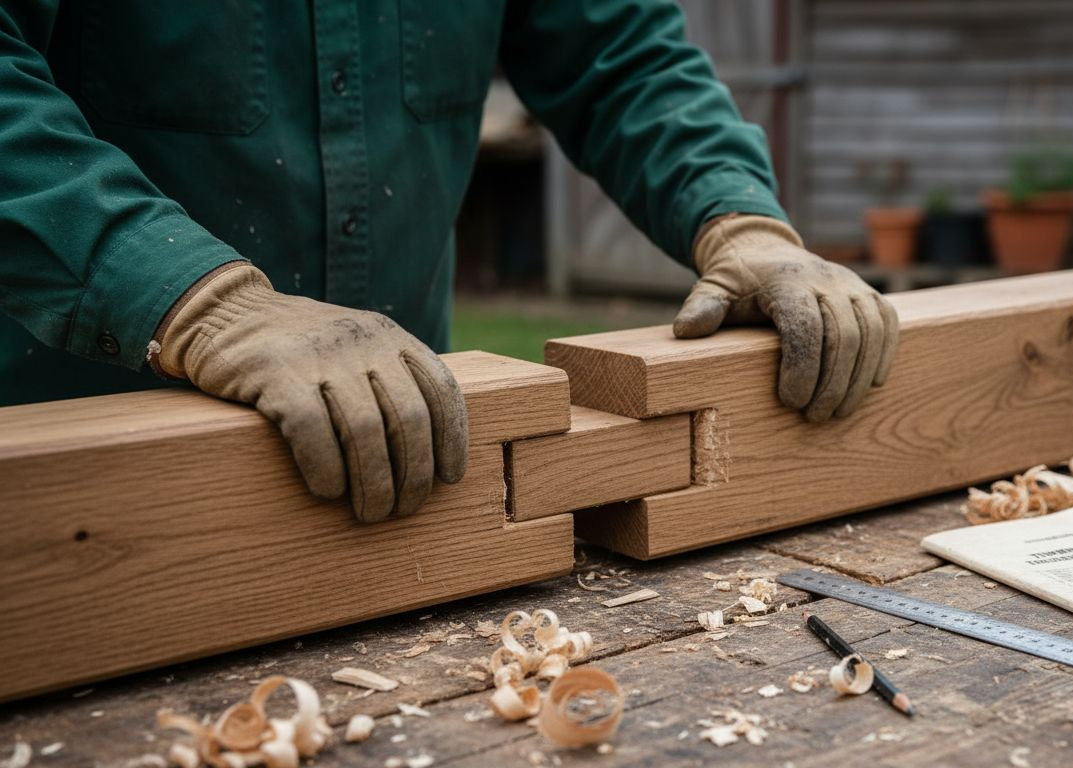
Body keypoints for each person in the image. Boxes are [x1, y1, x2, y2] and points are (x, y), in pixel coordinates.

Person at [0, 1, 899, 522]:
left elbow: (619, 50)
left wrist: (738, 221)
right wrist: (195, 303)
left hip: (408, 453)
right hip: (77, 472)